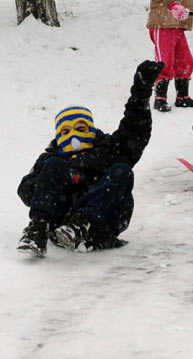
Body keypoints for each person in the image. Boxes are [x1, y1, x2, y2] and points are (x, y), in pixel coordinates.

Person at [17, 60, 165, 257]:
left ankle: (81, 223)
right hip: (59, 223)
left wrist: (140, 94)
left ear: (91, 130)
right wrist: (63, 178)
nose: (74, 136)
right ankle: (37, 230)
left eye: (81, 129)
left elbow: (135, 132)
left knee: (122, 170)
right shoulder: (50, 158)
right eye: (66, 131)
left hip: (100, 225)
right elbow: (26, 189)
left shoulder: (108, 149)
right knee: (54, 165)